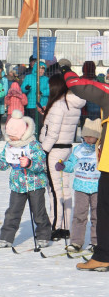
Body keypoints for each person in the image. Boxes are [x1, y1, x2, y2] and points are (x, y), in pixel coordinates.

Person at [0, 110, 52, 249]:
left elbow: (41, 164)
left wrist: (29, 163)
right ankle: (6, 238)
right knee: (12, 212)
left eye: (14, 135)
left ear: (23, 133)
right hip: (17, 185)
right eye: (9, 135)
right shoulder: (9, 145)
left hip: (34, 184)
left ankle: (43, 235)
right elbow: (6, 163)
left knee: (38, 212)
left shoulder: (33, 145)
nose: (11, 138)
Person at [39, 74, 85, 239]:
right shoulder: (72, 104)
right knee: (65, 188)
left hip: (54, 150)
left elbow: (52, 133)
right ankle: (65, 226)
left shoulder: (58, 105)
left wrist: (42, 151)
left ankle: (55, 226)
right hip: (66, 149)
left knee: (55, 189)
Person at [60, 118, 100, 254]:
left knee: (97, 216)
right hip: (81, 188)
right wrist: (64, 165)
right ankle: (76, 242)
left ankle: (96, 242)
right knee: (79, 215)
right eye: (86, 136)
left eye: (92, 136)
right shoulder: (78, 149)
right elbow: (71, 165)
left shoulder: (101, 150)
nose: (88, 139)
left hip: (97, 187)